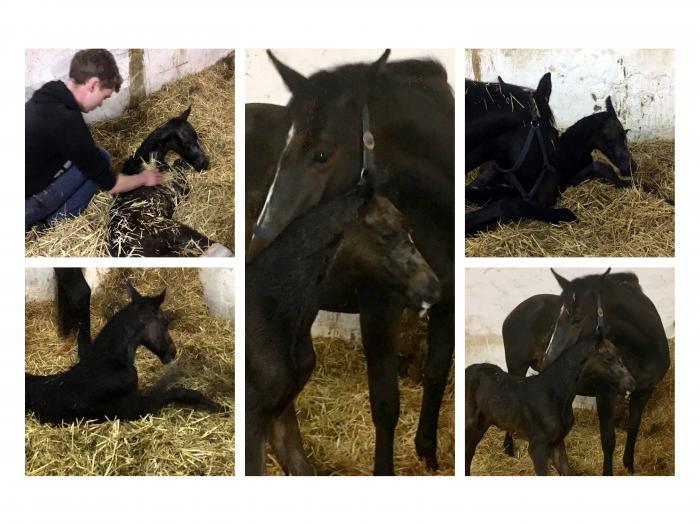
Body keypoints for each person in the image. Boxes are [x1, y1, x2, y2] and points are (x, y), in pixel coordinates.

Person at [25, 49, 162, 231]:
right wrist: (144, 178)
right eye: (104, 97)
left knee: (97, 157)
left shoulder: (50, 91)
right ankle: (53, 224)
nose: (100, 104)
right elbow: (111, 185)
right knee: (101, 160)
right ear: (93, 85)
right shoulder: (68, 122)